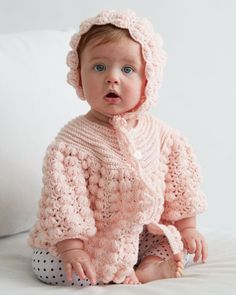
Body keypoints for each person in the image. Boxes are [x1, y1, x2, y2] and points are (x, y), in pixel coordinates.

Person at [28, 9, 208, 287]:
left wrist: (187, 229)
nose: (112, 78)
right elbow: (65, 201)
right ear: (79, 75)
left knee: (183, 246)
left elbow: (180, 188)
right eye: (99, 67)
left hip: (139, 236)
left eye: (127, 69)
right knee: (51, 267)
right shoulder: (71, 143)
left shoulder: (162, 135)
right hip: (87, 241)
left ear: (148, 79)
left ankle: (150, 267)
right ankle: (115, 268)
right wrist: (72, 247)